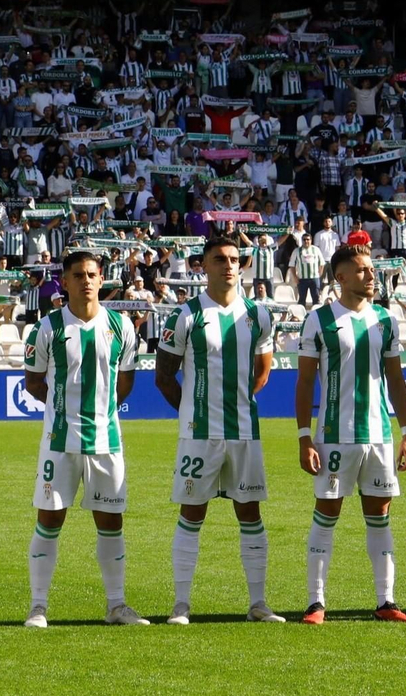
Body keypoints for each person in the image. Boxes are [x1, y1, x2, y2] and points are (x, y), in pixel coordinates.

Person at [155, 235, 283, 625]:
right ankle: (181, 604)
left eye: (233, 259)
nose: (228, 266)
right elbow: (164, 375)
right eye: (218, 259)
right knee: (192, 512)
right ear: (203, 266)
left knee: (250, 513)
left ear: (241, 265)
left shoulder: (259, 315)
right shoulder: (185, 315)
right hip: (199, 434)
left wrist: (237, 403)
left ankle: (258, 603)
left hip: (245, 431)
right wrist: (193, 412)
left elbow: (263, 371)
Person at [21, 251, 149, 629]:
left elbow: (125, 381)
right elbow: (33, 382)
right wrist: (64, 409)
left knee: (111, 521)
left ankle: (117, 606)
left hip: (107, 440)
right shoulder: (47, 328)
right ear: (65, 280)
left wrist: (99, 410)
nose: (86, 281)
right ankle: (38, 607)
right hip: (59, 441)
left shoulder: (122, 326)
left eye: (92, 274)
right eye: (78, 275)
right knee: (49, 519)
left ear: (101, 278)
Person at [295, 245, 406, 625]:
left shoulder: (386, 320)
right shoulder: (319, 320)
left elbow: (396, 380)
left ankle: (386, 601)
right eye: (362, 270)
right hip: (334, 436)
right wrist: (304, 436)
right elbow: (303, 383)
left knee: (380, 516)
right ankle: (315, 603)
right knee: (327, 514)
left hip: (378, 436)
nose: (370, 276)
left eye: (372, 270)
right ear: (341, 278)